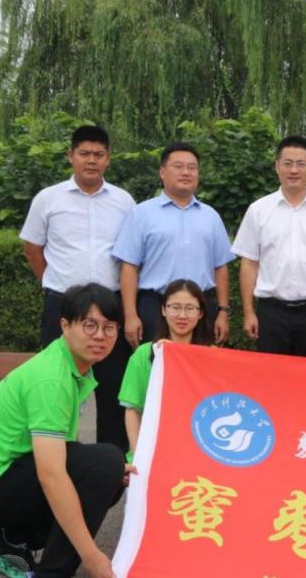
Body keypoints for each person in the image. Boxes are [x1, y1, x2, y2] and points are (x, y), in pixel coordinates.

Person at [0, 284, 132, 578]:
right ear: (65, 326)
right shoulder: (51, 379)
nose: (100, 336)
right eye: (89, 325)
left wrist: (109, 474)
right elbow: (51, 475)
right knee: (105, 463)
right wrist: (90, 554)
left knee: (108, 471)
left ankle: (12, 542)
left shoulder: (70, 366)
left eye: (109, 327)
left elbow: (64, 454)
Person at [20, 124, 136, 452]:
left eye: (99, 154)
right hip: (63, 304)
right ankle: (56, 457)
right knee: (58, 383)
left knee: (112, 387)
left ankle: (111, 461)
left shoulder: (124, 201)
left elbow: (131, 254)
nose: (91, 161)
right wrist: (52, 282)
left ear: (108, 159)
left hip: (110, 306)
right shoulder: (48, 198)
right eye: (84, 153)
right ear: (71, 156)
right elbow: (32, 248)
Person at [113, 142, 234, 349]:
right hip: (155, 307)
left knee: (200, 366)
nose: (186, 172)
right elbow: (129, 267)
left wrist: (223, 311)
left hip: (201, 307)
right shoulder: (141, 214)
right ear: (162, 172)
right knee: (155, 363)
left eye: (192, 167)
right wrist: (131, 315)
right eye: (178, 166)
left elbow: (221, 267)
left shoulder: (211, 216)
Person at [232, 135, 306, 357]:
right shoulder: (258, 210)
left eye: (300, 164)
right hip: (271, 313)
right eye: (288, 163)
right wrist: (248, 312)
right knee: (271, 375)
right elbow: (249, 263)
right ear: (277, 167)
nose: (294, 170)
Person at [119, 279, 215, 459]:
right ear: (163, 310)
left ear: (200, 313)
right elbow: (132, 409)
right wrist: (139, 455)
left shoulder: (212, 356)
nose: (182, 315)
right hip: (153, 447)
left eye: (190, 308)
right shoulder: (144, 354)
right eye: (175, 307)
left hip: (199, 449)